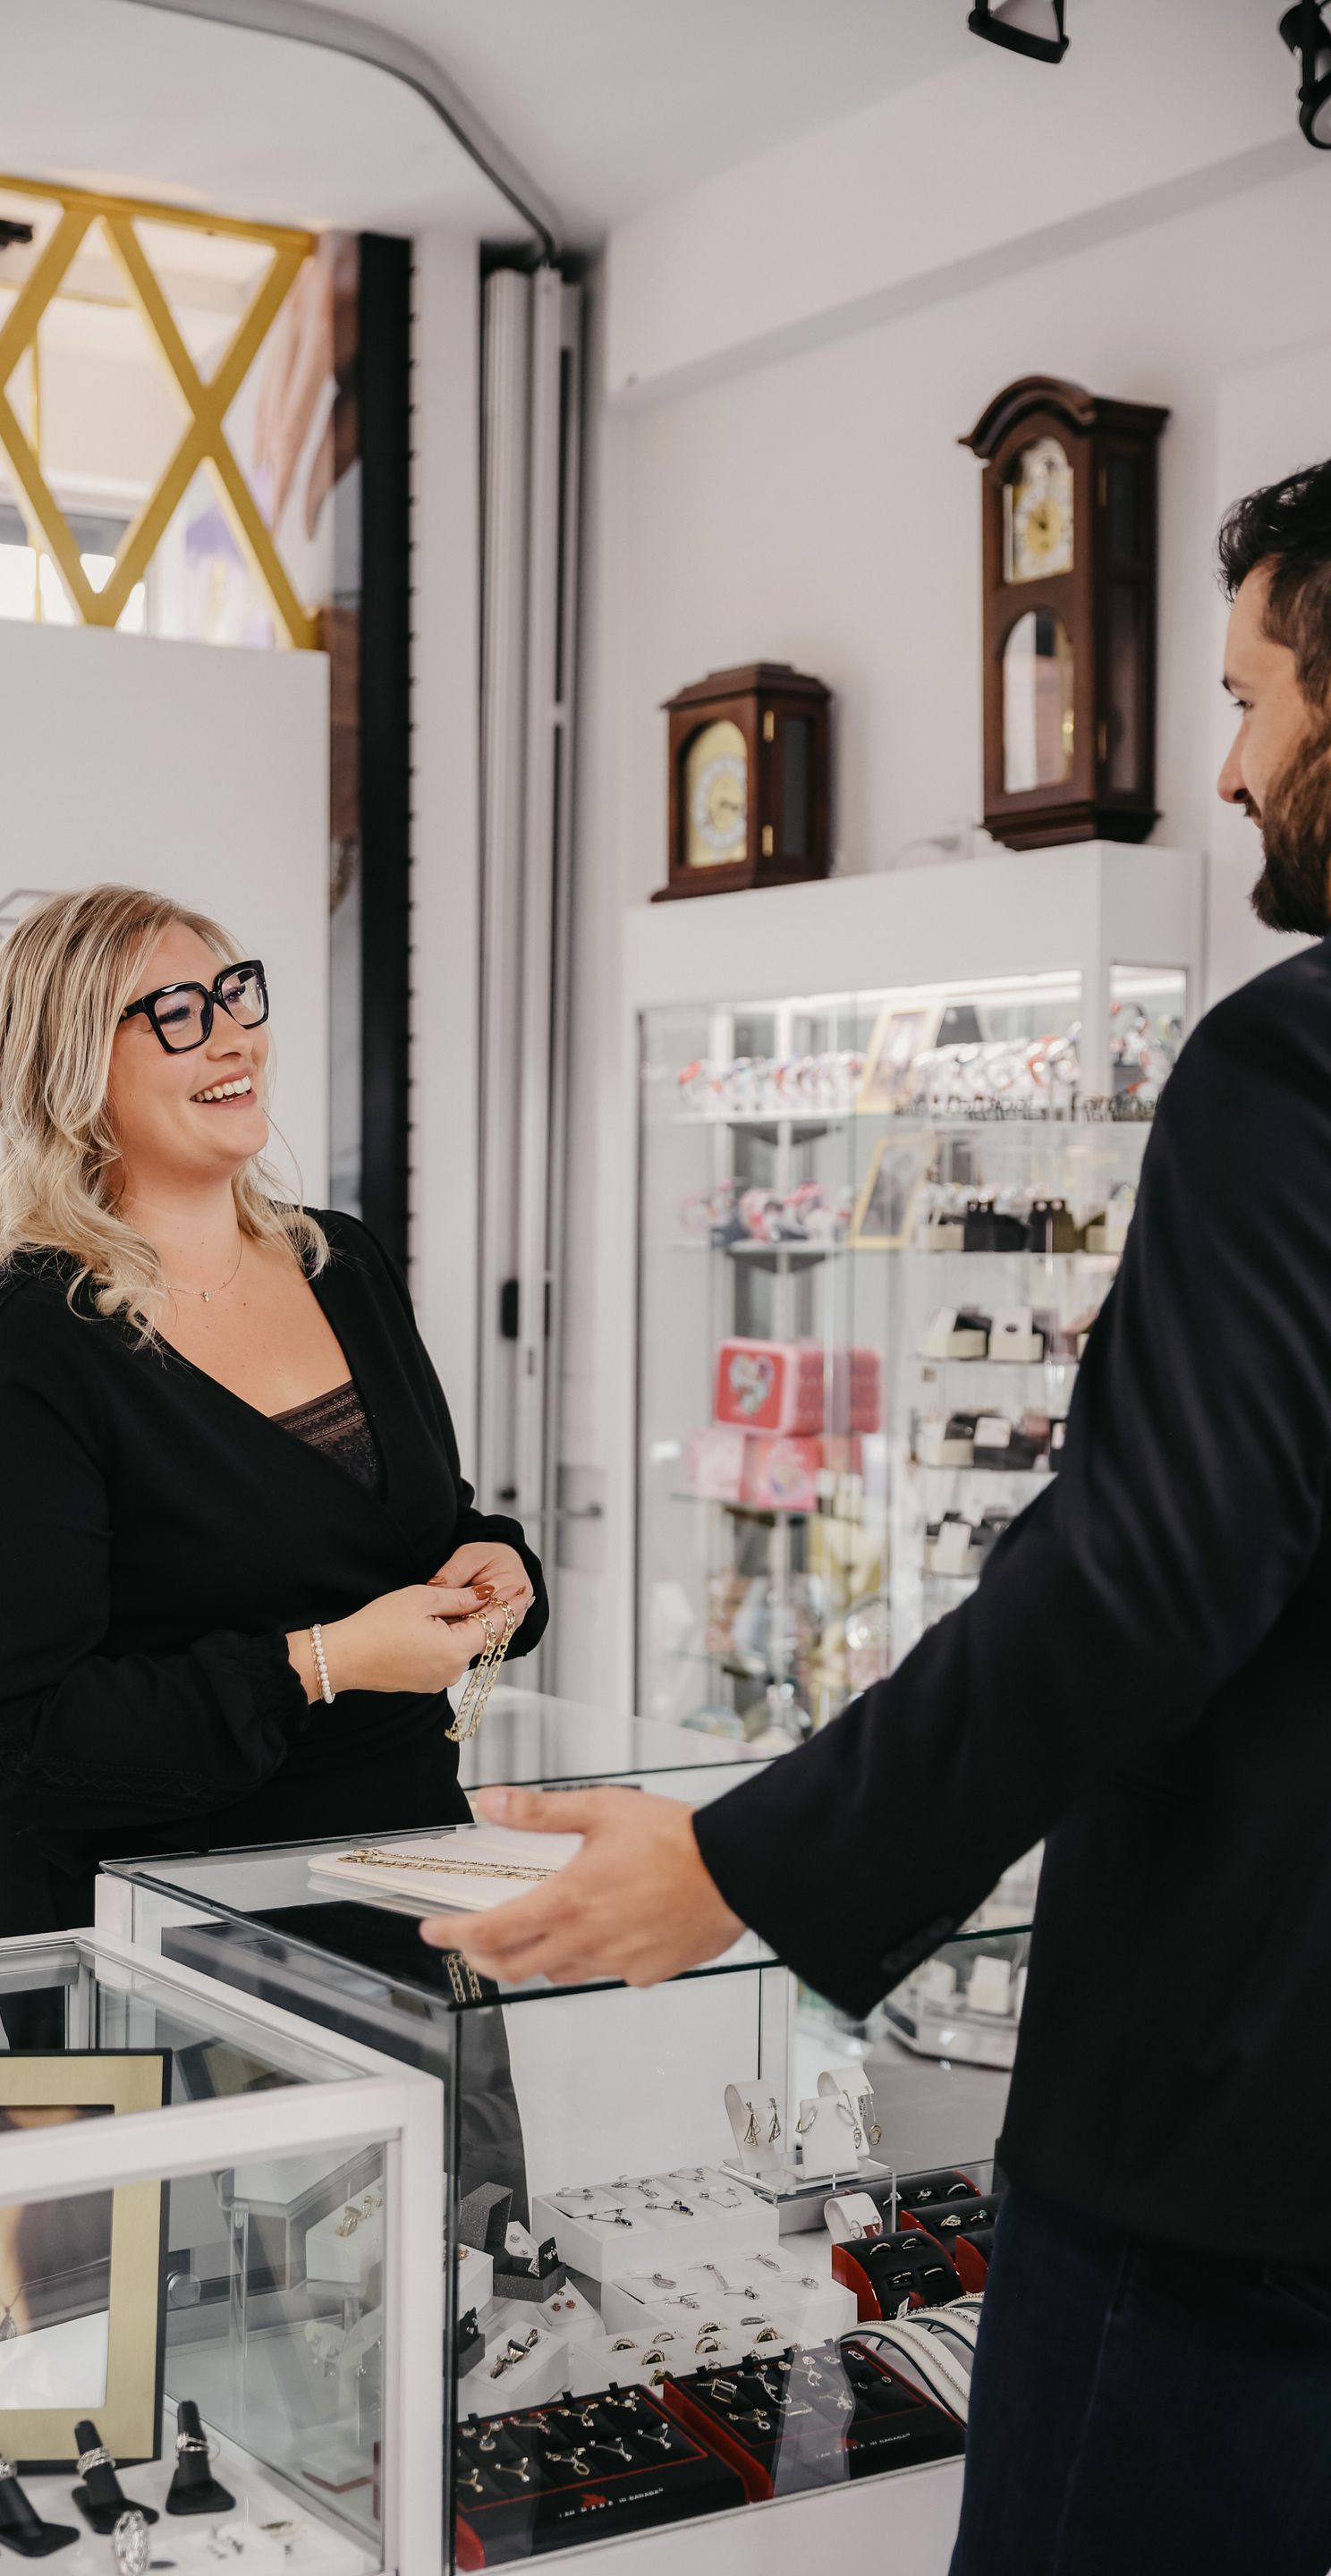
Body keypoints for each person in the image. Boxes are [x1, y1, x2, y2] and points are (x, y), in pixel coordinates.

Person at [424, 460, 1331, 2576]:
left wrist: (752, 1857)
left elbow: (1156, 1564)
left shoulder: (1289, 1068)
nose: (1224, 763)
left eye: (1256, 695)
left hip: (1239, 2161)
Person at [0, 885, 545, 1940]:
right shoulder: (13, 1352)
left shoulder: (344, 1266)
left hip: (408, 1886)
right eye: (175, 1012)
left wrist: (494, 1567)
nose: (233, 1036)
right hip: (159, 1944)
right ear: (70, 1067)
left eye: (234, 995)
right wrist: (323, 1663)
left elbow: (424, 1529)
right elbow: (22, 1740)